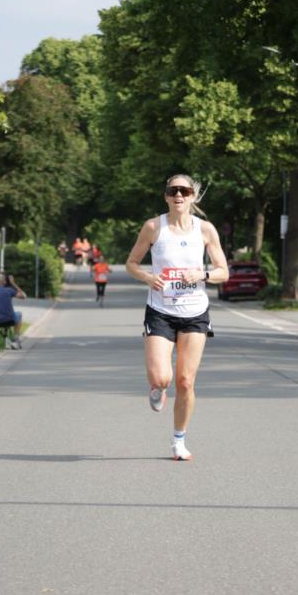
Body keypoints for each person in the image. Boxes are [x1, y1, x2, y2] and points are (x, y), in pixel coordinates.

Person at [125, 174, 229, 461]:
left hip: (195, 312)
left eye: (184, 191)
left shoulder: (205, 230)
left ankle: (178, 440)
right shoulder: (153, 227)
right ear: (166, 196)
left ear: (193, 196)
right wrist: (148, 277)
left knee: (185, 381)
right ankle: (157, 388)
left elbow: (223, 271)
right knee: (162, 378)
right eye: (173, 191)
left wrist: (202, 274)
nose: (179, 195)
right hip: (160, 310)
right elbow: (131, 263)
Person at [0, 272, 27, 349]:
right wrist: (13, 283)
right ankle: (16, 338)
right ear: (4, 282)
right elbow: (24, 296)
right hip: (10, 320)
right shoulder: (9, 290)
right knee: (19, 314)